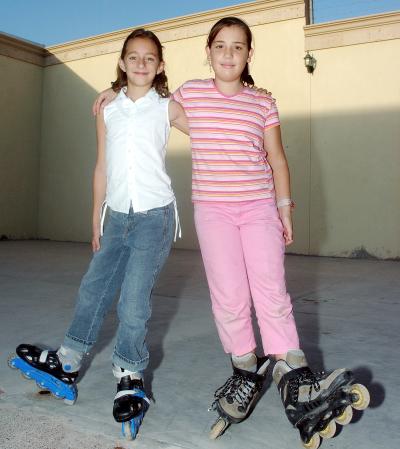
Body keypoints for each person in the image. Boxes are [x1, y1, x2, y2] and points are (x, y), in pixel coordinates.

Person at [92, 18, 369, 448]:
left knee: (270, 288)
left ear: (248, 55)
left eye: (237, 48)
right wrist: (117, 93)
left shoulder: (262, 103)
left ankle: (293, 370)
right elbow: (149, 102)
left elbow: (277, 159)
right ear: (208, 51)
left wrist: (285, 210)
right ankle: (246, 368)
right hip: (213, 212)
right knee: (228, 295)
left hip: (258, 207)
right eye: (220, 46)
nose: (228, 54)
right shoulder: (191, 94)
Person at [9, 28, 189, 440]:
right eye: (133, 56)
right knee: (93, 288)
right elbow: (101, 167)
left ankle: (129, 372)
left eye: (150, 58)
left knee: (133, 301)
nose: (141, 63)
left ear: (160, 66)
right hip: (116, 216)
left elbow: (210, 132)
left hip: (155, 215)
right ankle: (69, 360)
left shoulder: (168, 107)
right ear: (122, 63)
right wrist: (96, 217)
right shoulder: (108, 109)